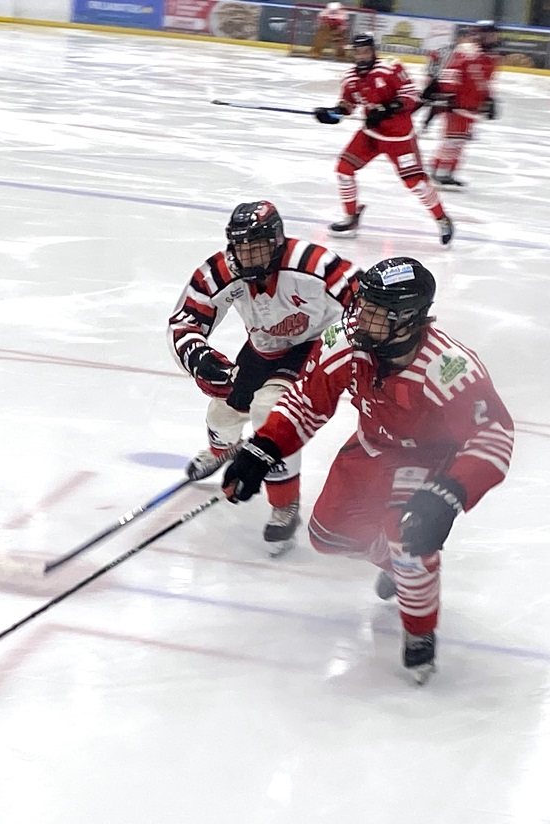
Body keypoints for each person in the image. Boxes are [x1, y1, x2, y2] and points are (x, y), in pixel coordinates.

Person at [220, 257, 514, 683]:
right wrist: (264, 447)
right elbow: (307, 401)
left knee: (408, 537)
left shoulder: (448, 367)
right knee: (326, 535)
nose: (360, 318)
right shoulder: (345, 343)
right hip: (372, 449)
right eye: (363, 305)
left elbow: (494, 437)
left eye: (375, 312)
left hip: (429, 461)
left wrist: (449, 495)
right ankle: (396, 564)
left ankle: (419, 631)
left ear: (408, 321)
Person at [167, 201, 362, 556]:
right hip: (263, 349)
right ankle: (223, 449)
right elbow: (185, 321)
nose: (248, 256)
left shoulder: (312, 263)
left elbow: (364, 301)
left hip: (311, 347)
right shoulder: (221, 271)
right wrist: (199, 358)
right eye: (241, 247)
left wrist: (348, 348)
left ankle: (284, 503)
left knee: (270, 413)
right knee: (222, 413)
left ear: (277, 241)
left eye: (256, 246)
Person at [313, 33, 454, 246]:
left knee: (415, 183)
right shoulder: (351, 78)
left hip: (399, 138)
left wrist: (388, 109)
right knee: (344, 169)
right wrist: (332, 114)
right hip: (371, 135)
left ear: (373, 51)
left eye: (366, 51)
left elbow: (411, 97)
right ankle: (351, 218)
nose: (362, 56)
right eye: (358, 52)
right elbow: (348, 105)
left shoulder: (390, 68)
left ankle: (442, 218)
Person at [429, 22, 501, 187]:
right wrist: (449, 95)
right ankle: (439, 170)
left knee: (460, 140)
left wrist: (489, 99)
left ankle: (448, 171)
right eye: (490, 35)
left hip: (473, 106)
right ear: (480, 35)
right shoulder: (466, 51)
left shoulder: (492, 56)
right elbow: (451, 72)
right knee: (452, 139)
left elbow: (487, 81)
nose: (494, 38)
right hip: (458, 104)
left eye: (495, 35)